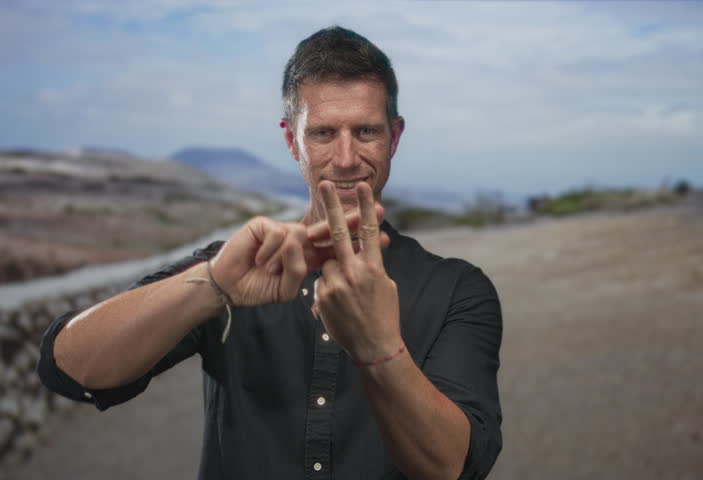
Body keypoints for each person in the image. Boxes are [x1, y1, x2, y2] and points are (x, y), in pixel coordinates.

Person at [38, 26, 502, 479]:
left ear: (394, 138)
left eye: (365, 131)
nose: (345, 157)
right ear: (290, 140)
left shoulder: (457, 289)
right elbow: (69, 369)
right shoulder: (232, 267)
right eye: (322, 133)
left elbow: (454, 466)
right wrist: (213, 285)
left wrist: (379, 348)